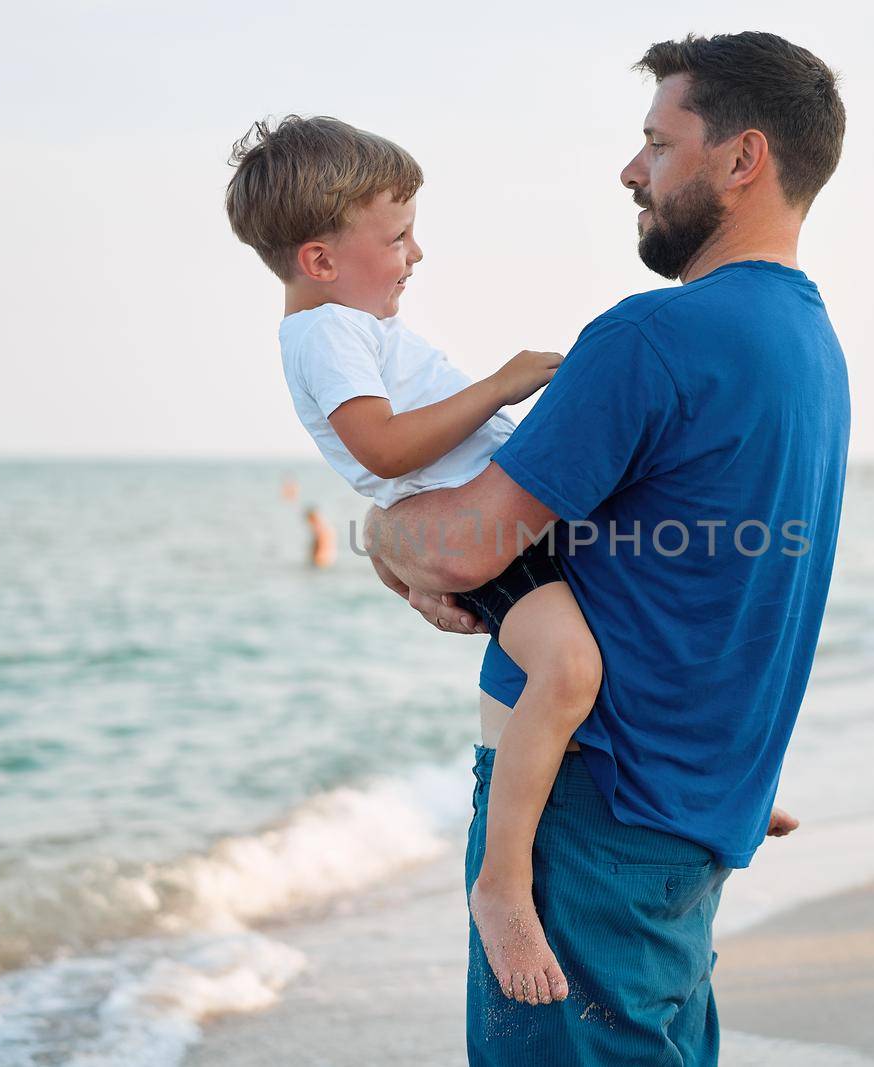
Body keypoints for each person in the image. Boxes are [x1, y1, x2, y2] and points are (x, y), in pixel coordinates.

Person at [363, 31, 847, 1064]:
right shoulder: (810, 345)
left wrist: (380, 530)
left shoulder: (650, 337)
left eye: (657, 143)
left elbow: (459, 548)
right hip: (692, 819)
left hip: (592, 819)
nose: (631, 170)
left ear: (741, 158)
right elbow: (728, 579)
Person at [225, 116, 604, 1003]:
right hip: (475, 529)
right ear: (320, 259)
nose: (416, 253)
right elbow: (387, 451)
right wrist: (504, 384)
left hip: (507, 513)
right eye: (397, 236)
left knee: (638, 631)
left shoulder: (350, 327)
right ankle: (503, 885)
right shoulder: (326, 332)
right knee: (571, 667)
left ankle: (707, 789)